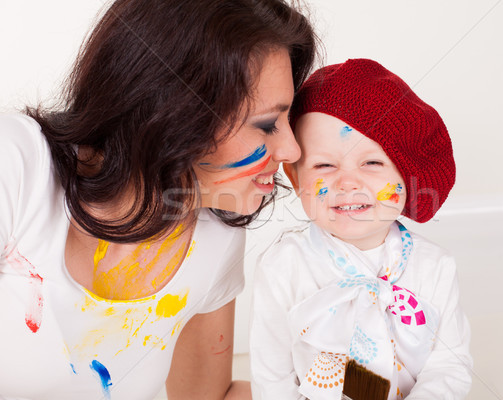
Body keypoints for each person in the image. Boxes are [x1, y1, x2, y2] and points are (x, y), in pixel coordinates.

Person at [0, 0, 316, 399]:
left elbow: (207, 397)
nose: (292, 150)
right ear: (177, 112)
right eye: (268, 124)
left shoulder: (216, 235)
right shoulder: (16, 165)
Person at [249, 59, 473, 399]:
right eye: (324, 165)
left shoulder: (435, 267)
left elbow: (448, 368)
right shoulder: (283, 266)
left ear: (406, 176)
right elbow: (272, 377)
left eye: (372, 163)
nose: (348, 182)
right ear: (295, 179)